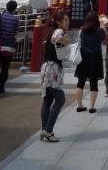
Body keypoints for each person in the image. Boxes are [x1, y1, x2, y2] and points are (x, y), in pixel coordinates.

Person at [40, 11, 69, 142]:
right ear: (59, 22)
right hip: (53, 70)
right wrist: (66, 40)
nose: (68, 22)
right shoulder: (58, 31)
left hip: (47, 67)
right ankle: (48, 130)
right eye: (65, 20)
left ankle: (45, 130)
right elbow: (56, 38)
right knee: (60, 99)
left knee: (47, 100)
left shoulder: (52, 31)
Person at [75, 11, 106, 113]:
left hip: (83, 57)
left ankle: (80, 106)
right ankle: (92, 107)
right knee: (93, 83)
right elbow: (104, 41)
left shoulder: (81, 30)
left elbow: (79, 43)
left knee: (80, 82)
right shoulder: (100, 31)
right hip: (96, 58)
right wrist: (103, 26)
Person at [0, 0, 19, 98]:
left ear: (6, 7)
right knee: (5, 68)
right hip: (9, 47)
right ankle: (1, 87)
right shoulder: (16, 19)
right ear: (15, 9)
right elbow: (15, 32)